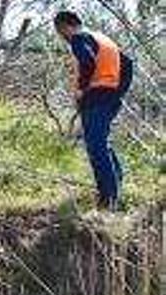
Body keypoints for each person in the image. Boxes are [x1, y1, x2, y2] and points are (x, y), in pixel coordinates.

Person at [53, 11, 134, 211]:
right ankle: (113, 189)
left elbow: (87, 62)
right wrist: (117, 94)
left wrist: (82, 90)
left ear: (64, 27)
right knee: (101, 144)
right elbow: (128, 65)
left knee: (96, 147)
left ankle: (108, 199)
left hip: (97, 99)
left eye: (59, 31)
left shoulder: (78, 38)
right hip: (109, 98)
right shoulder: (102, 39)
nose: (61, 35)